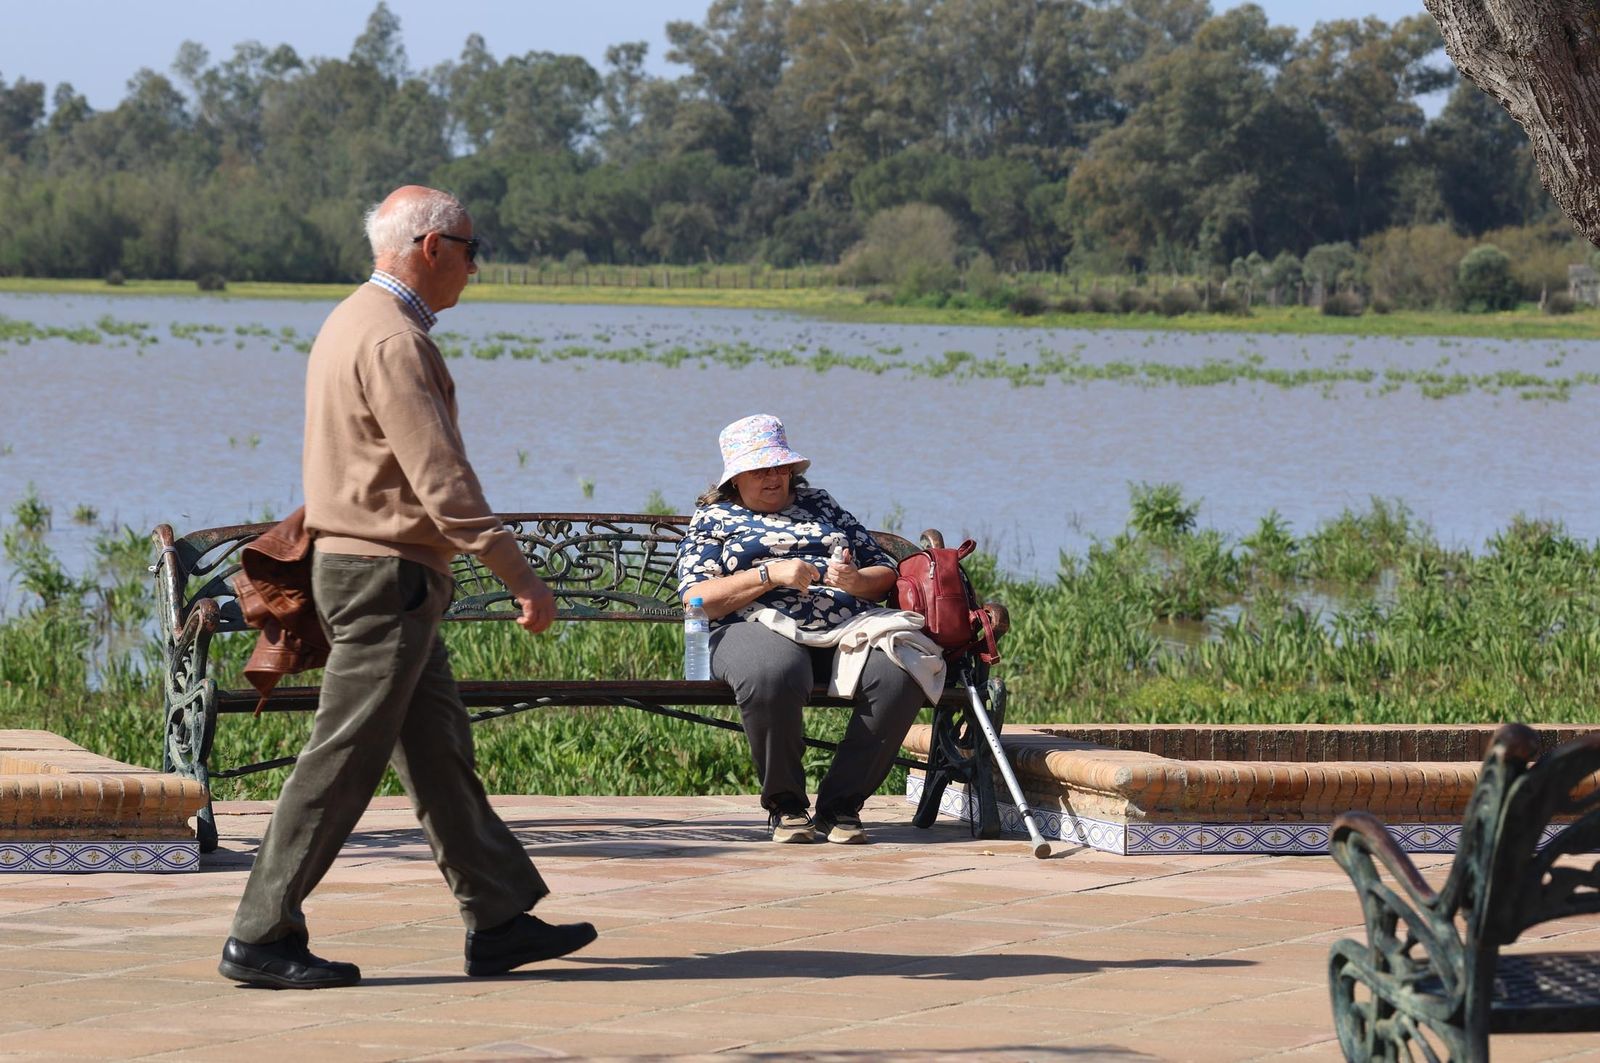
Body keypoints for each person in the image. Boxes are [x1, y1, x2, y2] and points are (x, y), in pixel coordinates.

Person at [218, 185, 596, 990]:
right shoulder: (392, 339)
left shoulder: (354, 319)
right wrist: (522, 578)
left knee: (437, 753)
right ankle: (260, 932)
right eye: (472, 249)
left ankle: (496, 918)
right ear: (432, 247)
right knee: (342, 757)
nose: (474, 267)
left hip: (379, 573)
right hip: (384, 578)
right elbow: (443, 482)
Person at [675, 414, 942, 845]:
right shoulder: (714, 517)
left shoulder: (821, 504)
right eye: (761, 469)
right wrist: (769, 576)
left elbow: (884, 570)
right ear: (736, 477)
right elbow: (696, 598)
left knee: (903, 670)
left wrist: (857, 581)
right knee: (773, 670)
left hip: (844, 626)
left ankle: (841, 805)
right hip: (750, 625)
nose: (774, 477)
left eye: (781, 467)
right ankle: (787, 806)